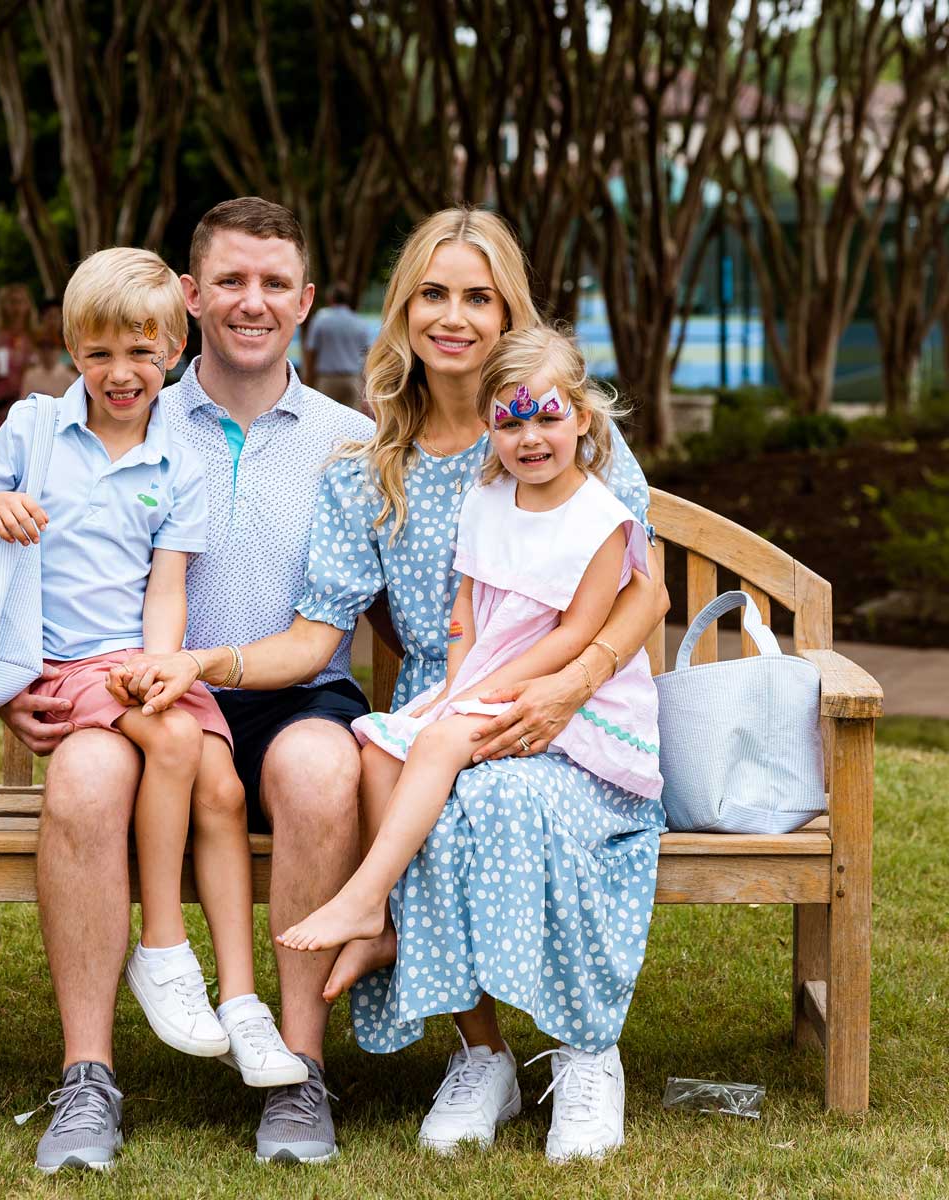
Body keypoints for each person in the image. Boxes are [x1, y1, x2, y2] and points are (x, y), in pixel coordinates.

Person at [124, 208, 668, 1163]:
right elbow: (315, 637)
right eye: (433, 294)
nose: (453, 317)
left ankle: (588, 1055)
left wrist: (570, 685)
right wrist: (209, 664)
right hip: (443, 701)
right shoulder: (370, 466)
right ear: (403, 308)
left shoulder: (565, 431)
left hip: (573, 701)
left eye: (478, 297)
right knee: (422, 776)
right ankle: (483, 1054)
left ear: (509, 314)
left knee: (505, 800)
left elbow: (642, 594)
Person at [0, 197, 376, 1171]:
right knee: (83, 783)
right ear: (191, 295)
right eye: (232, 281)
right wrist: (12, 685)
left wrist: (203, 667)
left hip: (291, 690)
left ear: (307, 302)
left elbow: (323, 632)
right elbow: (15, 562)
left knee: (320, 772)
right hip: (128, 695)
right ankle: (87, 1078)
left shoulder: (348, 440)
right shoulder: (129, 405)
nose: (253, 302)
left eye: (275, 284)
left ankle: (295, 1067)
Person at [278, 323, 662, 965]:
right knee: (378, 747)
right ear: (489, 425)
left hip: (568, 699)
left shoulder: (602, 521)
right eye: (509, 424)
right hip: (480, 682)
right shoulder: (487, 498)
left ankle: (365, 892)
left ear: (583, 417)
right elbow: (465, 607)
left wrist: (475, 694)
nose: (529, 437)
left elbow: (575, 634)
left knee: (440, 740)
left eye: (546, 417)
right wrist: (456, 685)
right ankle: (384, 922)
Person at [302, 281, 371, 411]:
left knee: (323, 420)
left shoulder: (321, 319)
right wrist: (365, 384)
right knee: (353, 423)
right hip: (352, 380)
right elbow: (367, 355)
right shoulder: (360, 322)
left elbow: (311, 351)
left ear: (330, 298)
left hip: (327, 379)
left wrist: (308, 379)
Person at [0, 283, 36, 437]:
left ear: (28, 306)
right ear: (3, 306)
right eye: (12, 302)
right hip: (0, 408)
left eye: (20, 302)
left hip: (31, 408)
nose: (16, 308)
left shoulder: (35, 338)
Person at [20, 311, 77, 398]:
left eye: (51, 346)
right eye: (42, 347)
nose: (46, 352)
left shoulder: (70, 377)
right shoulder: (29, 376)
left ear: (59, 349)